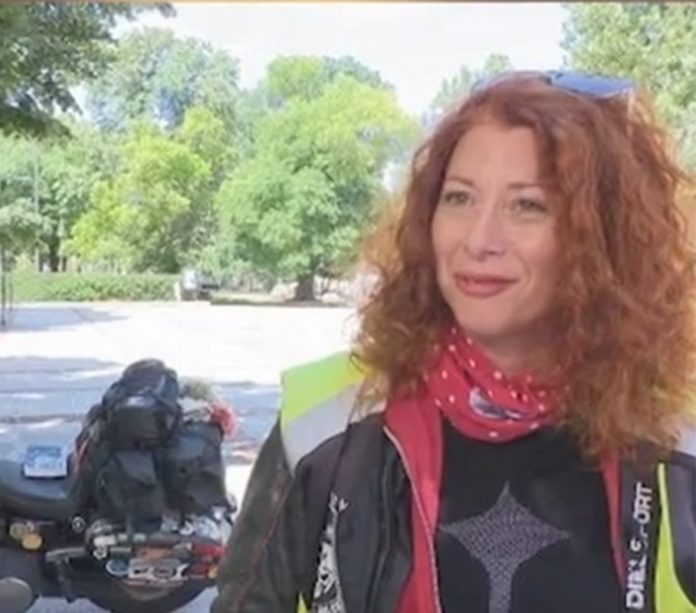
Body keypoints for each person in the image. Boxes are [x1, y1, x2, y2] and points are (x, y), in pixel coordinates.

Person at [211, 71, 696, 613]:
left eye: (527, 205)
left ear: (604, 237)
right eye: (460, 198)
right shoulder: (326, 424)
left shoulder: (677, 440)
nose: (479, 240)